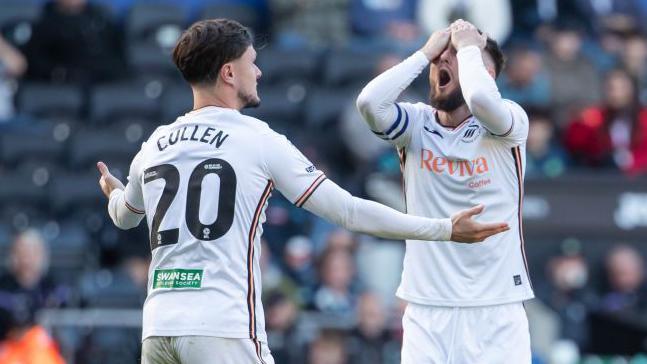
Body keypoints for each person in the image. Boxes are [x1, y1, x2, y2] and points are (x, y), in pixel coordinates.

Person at [95, 19, 509, 364]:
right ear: (228, 73)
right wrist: (442, 229)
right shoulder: (256, 138)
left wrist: (113, 192)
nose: (258, 72)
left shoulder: (155, 143)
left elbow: (126, 215)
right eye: (251, 63)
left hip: (158, 329)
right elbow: (347, 212)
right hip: (221, 327)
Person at [357, 19, 534, 363]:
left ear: (482, 72)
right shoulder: (416, 124)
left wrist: (468, 46)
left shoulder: (508, 123)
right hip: (427, 310)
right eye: (441, 55)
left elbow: (481, 97)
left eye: (454, 56)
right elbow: (369, 102)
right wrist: (425, 52)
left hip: (496, 310)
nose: (443, 60)